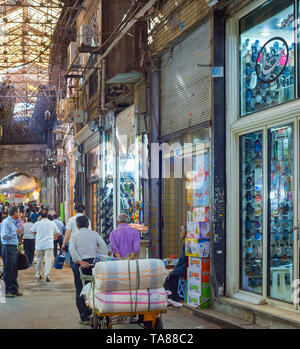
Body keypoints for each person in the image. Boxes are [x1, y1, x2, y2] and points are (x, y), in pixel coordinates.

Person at [69, 215, 108, 325]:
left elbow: (72, 250)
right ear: (88, 225)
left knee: (80, 289)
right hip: (93, 264)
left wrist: (80, 261)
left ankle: (84, 317)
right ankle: (95, 312)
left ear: (77, 225)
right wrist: (99, 259)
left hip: (80, 265)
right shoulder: (94, 234)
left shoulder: (74, 236)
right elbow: (104, 247)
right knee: (95, 287)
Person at [0, 206, 23, 298]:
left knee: (14, 269)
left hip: (12, 247)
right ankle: (6, 290)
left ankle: (14, 289)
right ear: (14, 213)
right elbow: (4, 236)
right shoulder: (6, 222)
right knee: (8, 269)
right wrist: (15, 233)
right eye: (18, 212)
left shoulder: (13, 223)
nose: (19, 214)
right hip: (7, 247)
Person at [31, 209, 59, 282]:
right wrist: (54, 238)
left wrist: (38, 221)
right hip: (49, 244)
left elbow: (32, 230)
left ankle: (38, 274)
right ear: (47, 215)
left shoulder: (37, 223)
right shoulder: (52, 223)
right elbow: (57, 233)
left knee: (39, 260)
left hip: (39, 244)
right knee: (48, 260)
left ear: (40, 216)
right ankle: (47, 275)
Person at [163, 225, 188, 302]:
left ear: (185, 233)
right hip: (187, 266)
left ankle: (173, 298)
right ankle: (176, 296)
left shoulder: (186, 243)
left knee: (168, 276)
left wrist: (174, 268)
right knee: (173, 275)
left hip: (185, 267)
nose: (180, 233)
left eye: (181, 231)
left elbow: (182, 260)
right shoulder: (188, 242)